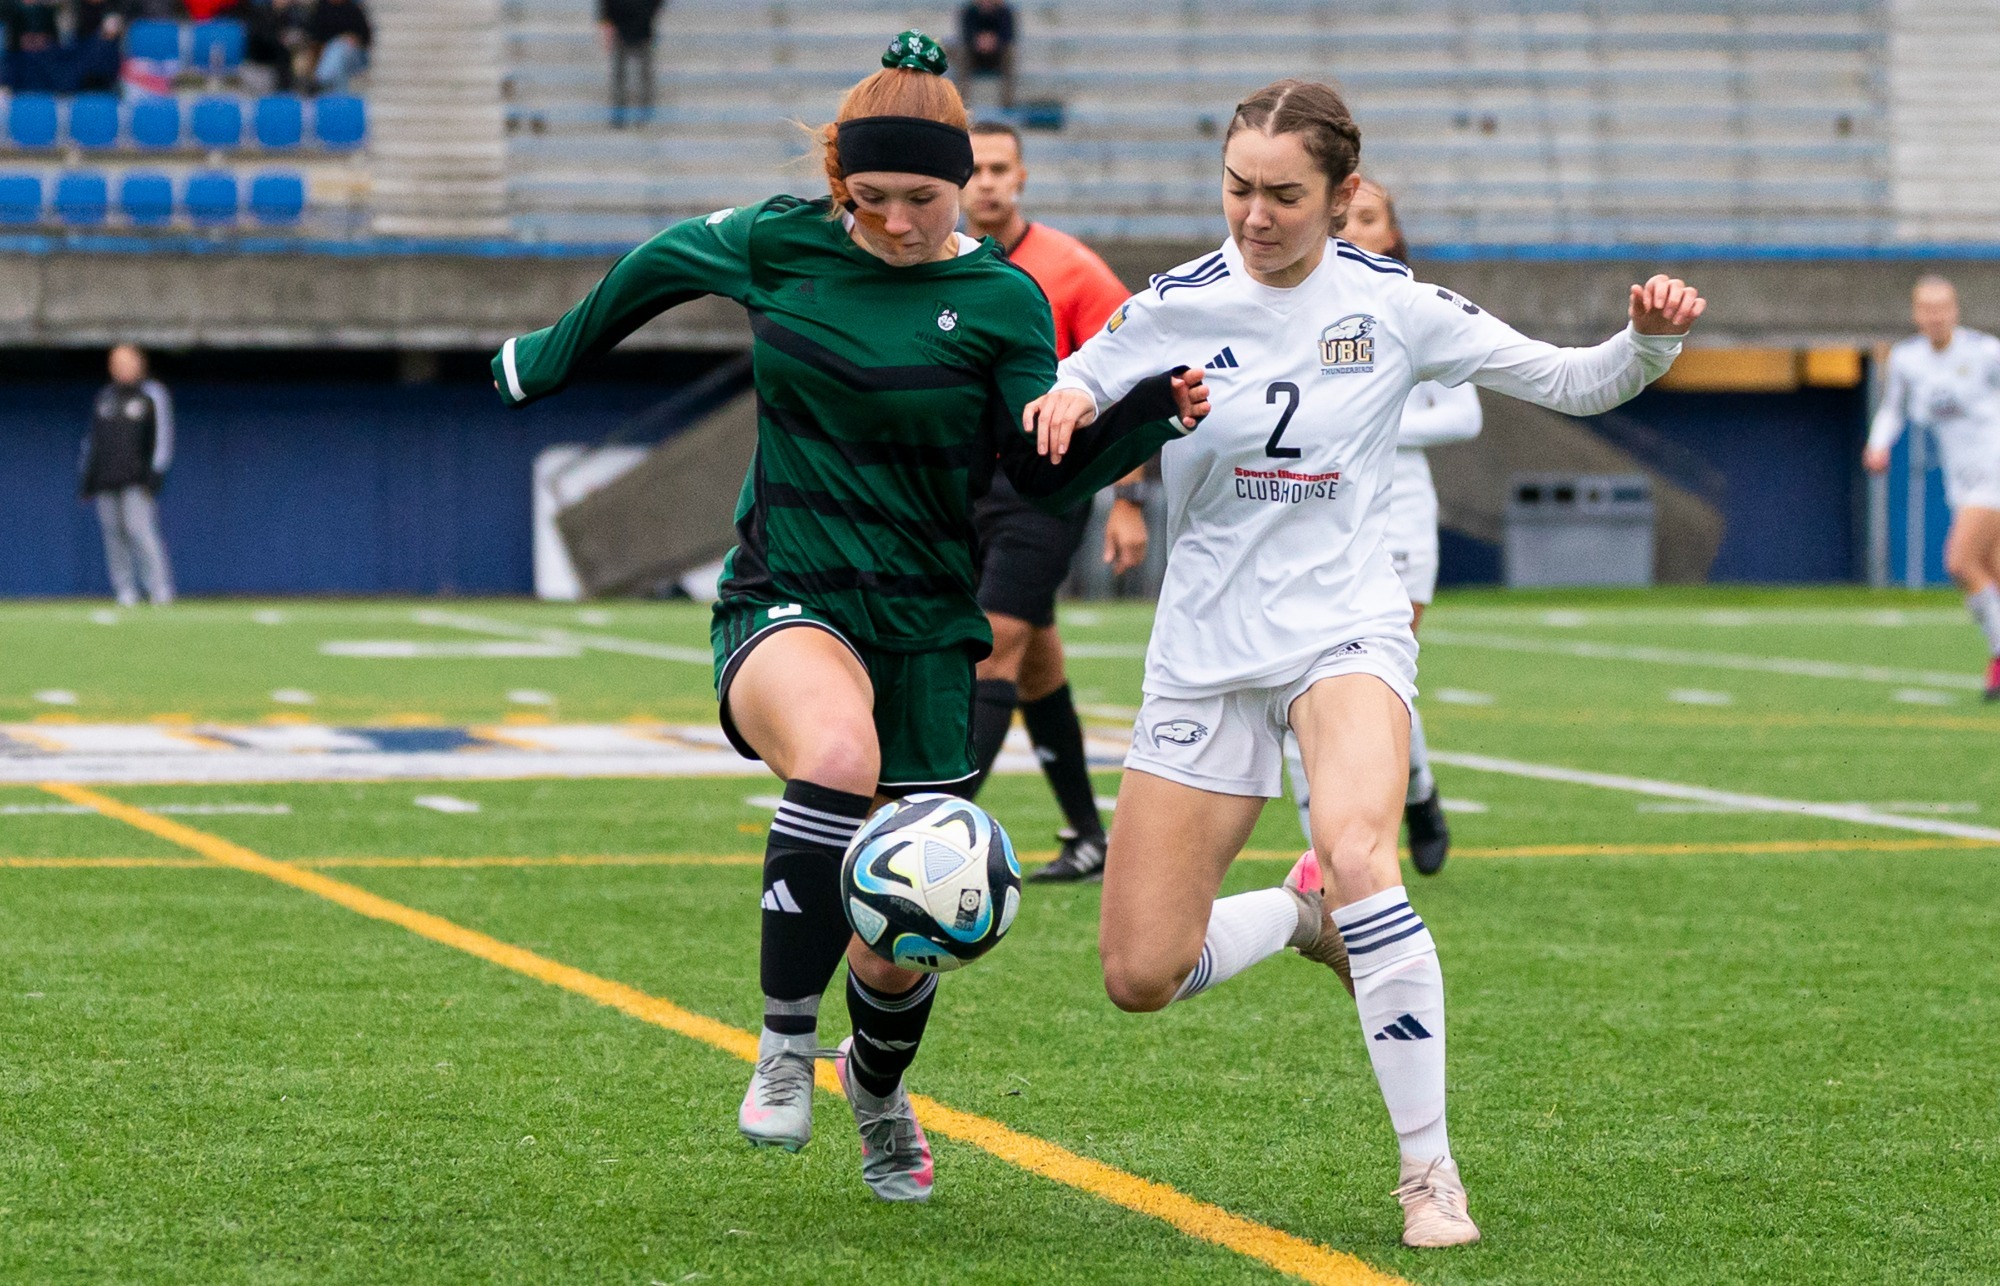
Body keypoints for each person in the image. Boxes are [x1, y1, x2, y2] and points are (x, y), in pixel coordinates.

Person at [490, 32, 1205, 1203]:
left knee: (903, 921)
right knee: (833, 750)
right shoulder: (783, 241)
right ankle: (778, 1045)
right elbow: (663, 261)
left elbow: (1034, 471)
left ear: (962, 182)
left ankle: (873, 1090)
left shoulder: (1000, 299)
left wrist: (1141, 427)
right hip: (787, 590)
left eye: (918, 198)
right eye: (865, 199)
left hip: (924, 620)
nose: (892, 222)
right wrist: (547, 356)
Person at [1025, 78, 1702, 1248]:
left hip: (1345, 624)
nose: (1254, 215)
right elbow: (1080, 376)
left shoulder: (1393, 305)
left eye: (1283, 194)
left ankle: (1426, 1173)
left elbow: (1567, 377)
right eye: (1237, 188)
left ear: (1341, 197)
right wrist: (1061, 401)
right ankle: (1299, 922)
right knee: (1142, 970)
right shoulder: (1180, 300)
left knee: (1358, 852)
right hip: (1200, 651)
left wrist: (1646, 337)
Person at [960, 119, 1147, 882]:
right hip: (968, 487)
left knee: (989, 649)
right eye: (974, 168)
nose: (988, 181)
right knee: (1036, 663)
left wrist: (1129, 498)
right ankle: (1088, 836)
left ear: (1023, 177)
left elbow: (1138, 371)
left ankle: (930, 836)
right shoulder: (945, 262)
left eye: (1001, 167)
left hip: (1045, 488)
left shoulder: (1072, 268)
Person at [1283, 177, 1480, 871]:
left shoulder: (1410, 309)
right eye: (1349, 217)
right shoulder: (1297, 303)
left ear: (1391, 235)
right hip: (1308, 517)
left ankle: (1415, 795)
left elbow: (1466, 414)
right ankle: (1331, 853)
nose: (1356, 229)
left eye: (1371, 218)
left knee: (1378, 675)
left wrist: (1373, 425)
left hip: (1398, 522)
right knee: (1300, 674)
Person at [1865, 276, 2000, 700]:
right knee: (1993, 570)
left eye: (1942, 307)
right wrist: (1877, 445)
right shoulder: (1907, 359)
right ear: (1916, 313)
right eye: (1927, 308)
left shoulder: (1985, 352)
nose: (1935, 316)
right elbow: (1892, 410)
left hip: (1993, 469)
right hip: (1959, 479)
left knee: (1960, 562)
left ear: (1955, 310)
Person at [80, 344, 176, 608]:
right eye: (116, 362)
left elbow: (162, 437)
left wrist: (155, 474)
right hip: (106, 480)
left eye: (127, 362)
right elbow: (93, 442)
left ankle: (159, 589)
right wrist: (88, 480)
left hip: (137, 480)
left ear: (139, 364)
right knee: (113, 536)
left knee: (139, 531)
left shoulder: (152, 395)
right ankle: (125, 591)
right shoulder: (105, 397)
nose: (121, 368)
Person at [598, 0, 665, 129]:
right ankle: (621, 111)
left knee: (641, 74)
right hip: (625, 30)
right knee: (623, 74)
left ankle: (642, 111)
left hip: (641, 29)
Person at [955, 0, 1015, 111]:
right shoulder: (969, 11)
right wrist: (979, 41)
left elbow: (1008, 35)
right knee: (962, 53)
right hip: (975, 55)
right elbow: (966, 34)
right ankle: (961, 102)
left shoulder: (1004, 12)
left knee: (1010, 53)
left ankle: (1007, 103)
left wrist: (993, 41)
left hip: (997, 56)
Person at [309, 0, 370, 94]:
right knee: (338, 63)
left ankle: (322, 77)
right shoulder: (321, 10)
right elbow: (315, 38)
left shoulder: (352, 9)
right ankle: (338, 96)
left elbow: (366, 38)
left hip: (353, 55)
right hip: (328, 56)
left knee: (339, 48)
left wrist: (351, 38)